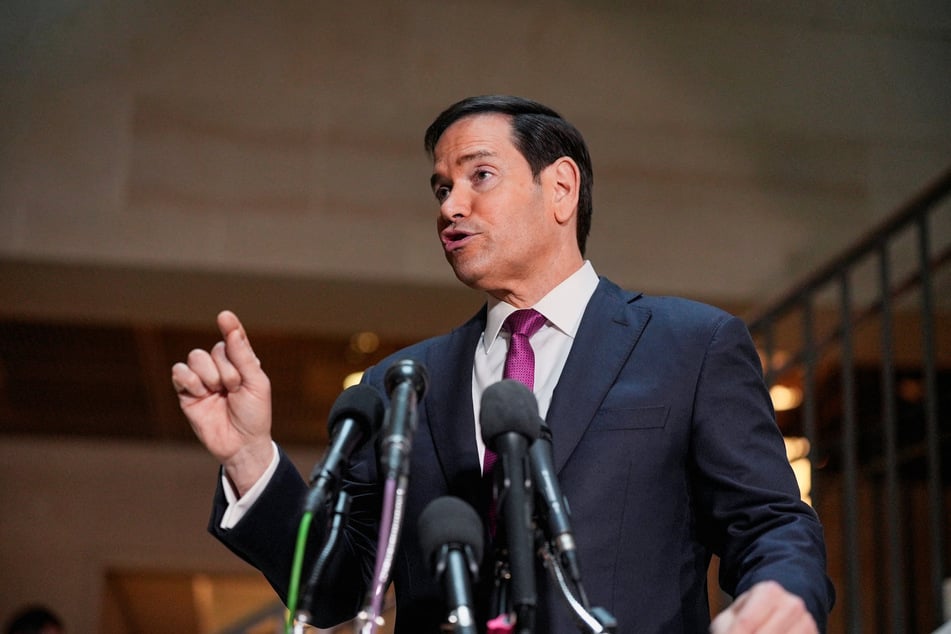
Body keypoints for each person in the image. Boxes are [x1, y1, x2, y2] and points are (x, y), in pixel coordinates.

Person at [172, 95, 835, 633]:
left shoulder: (688, 345)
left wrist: (784, 594)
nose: (449, 207)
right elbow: (331, 589)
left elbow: (768, 521)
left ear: (561, 189)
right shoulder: (402, 385)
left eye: (477, 176)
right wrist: (250, 456)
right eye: (440, 187)